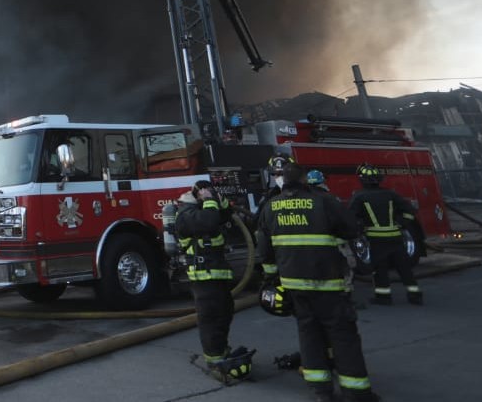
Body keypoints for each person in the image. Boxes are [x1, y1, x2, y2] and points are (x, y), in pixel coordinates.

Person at [259, 157, 377, 402]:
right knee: (342, 335)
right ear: (304, 180)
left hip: (293, 285)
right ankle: (356, 392)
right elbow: (351, 229)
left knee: (309, 334)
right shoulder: (324, 201)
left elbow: (265, 247)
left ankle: (321, 392)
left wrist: (271, 278)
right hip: (328, 282)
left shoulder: (271, 206)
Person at [174, 180, 253, 383]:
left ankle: (221, 349)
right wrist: (208, 199)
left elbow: (224, 213)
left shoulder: (204, 210)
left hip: (218, 275)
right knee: (211, 319)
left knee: (225, 312)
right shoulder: (185, 215)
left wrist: (216, 195)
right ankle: (215, 361)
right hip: (203, 277)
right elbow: (208, 221)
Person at [348, 164, 422, 306]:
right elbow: (410, 210)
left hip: (376, 239)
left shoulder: (359, 196)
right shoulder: (390, 194)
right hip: (395, 237)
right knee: (404, 267)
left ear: (362, 180)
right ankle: (415, 295)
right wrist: (401, 223)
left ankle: (384, 297)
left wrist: (359, 229)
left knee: (380, 269)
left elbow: (351, 217)